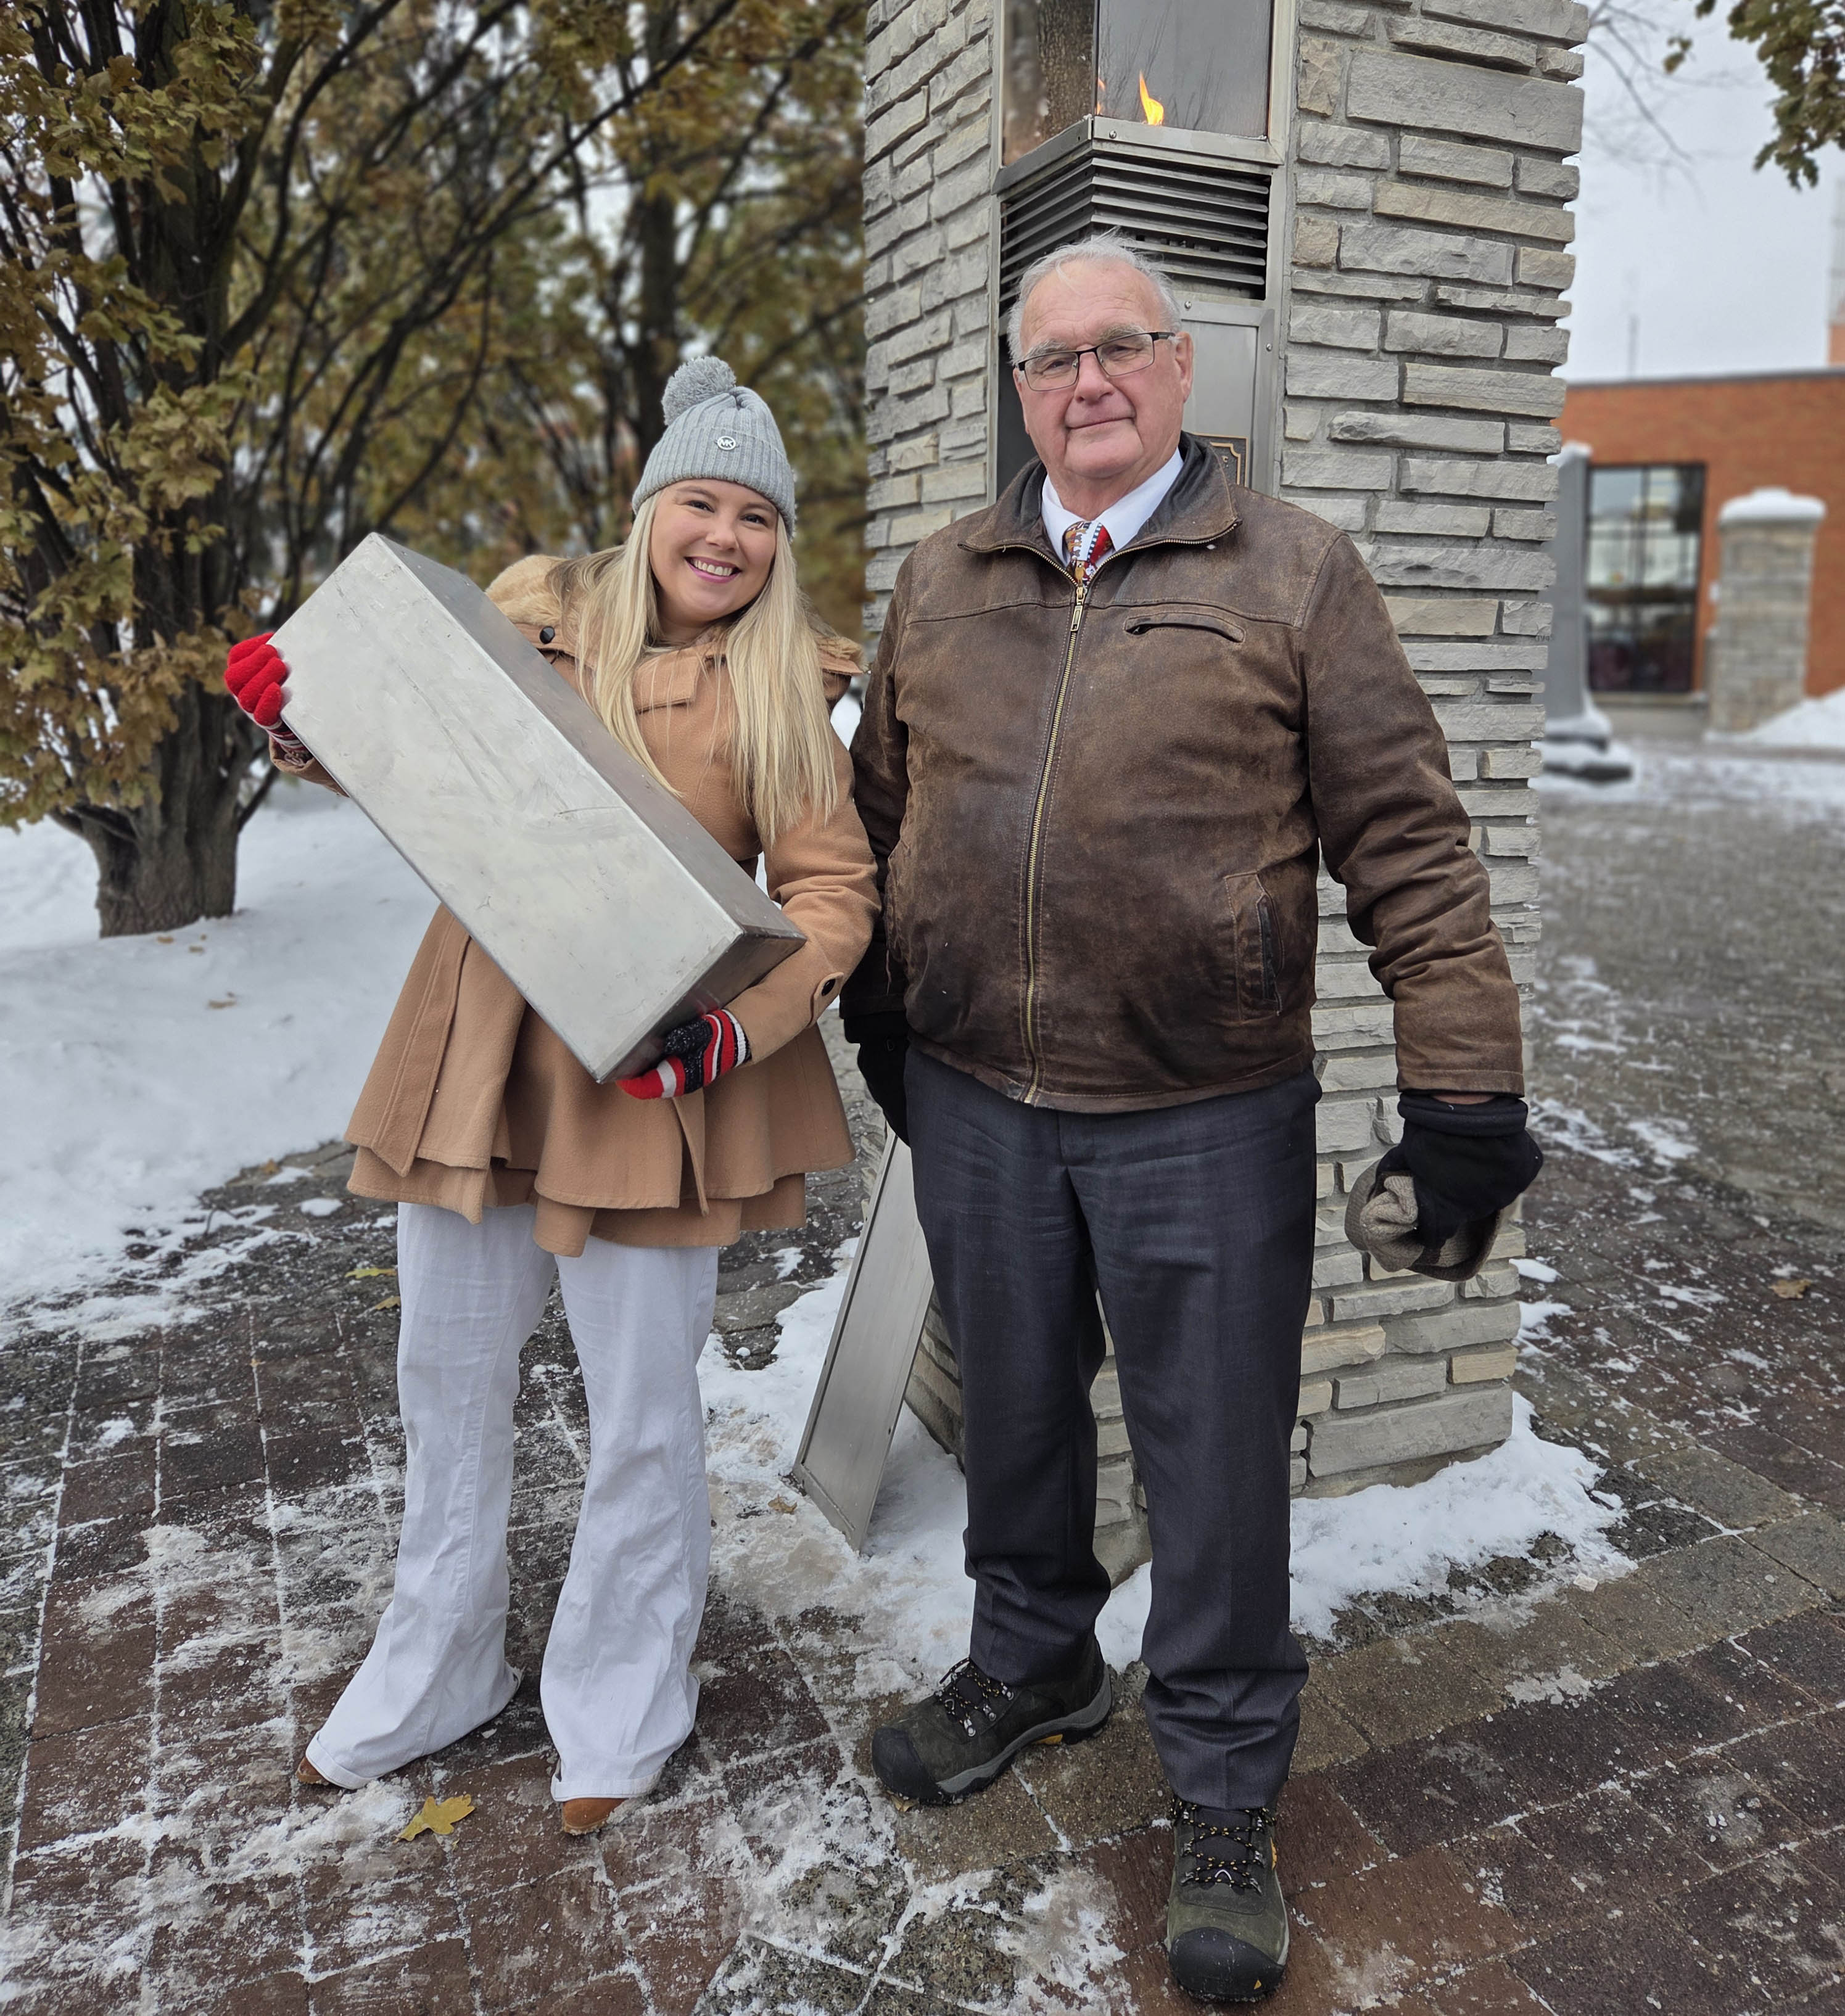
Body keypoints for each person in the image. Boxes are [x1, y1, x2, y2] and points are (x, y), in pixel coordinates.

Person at [842, 239, 1542, 2004]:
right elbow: (877, 812)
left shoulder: (1295, 573)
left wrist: (1467, 1088)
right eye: (1053, 356)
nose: (1087, 381)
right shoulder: (942, 580)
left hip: (1203, 1112)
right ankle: (1036, 1657)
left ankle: (1224, 1785)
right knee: (1012, 1416)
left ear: (1182, 370)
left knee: (1214, 1464)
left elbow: (1416, 854)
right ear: (1021, 388)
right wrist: (884, 998)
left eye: (1122, 349)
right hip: (985, 1102)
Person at [222, 358, 878, 1836]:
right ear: (649, 509)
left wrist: (737, 1034)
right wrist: (306, 727)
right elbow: (424, 772)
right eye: (700, 503)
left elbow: (834, 899)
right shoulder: (522, 629)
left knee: (640, 1407)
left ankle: (622, 1694)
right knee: (447, 1381)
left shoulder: (788, 692)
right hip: (481, 1058)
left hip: (655, 1077)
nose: (726, 537)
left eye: (758, 518)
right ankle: (437, 1663)